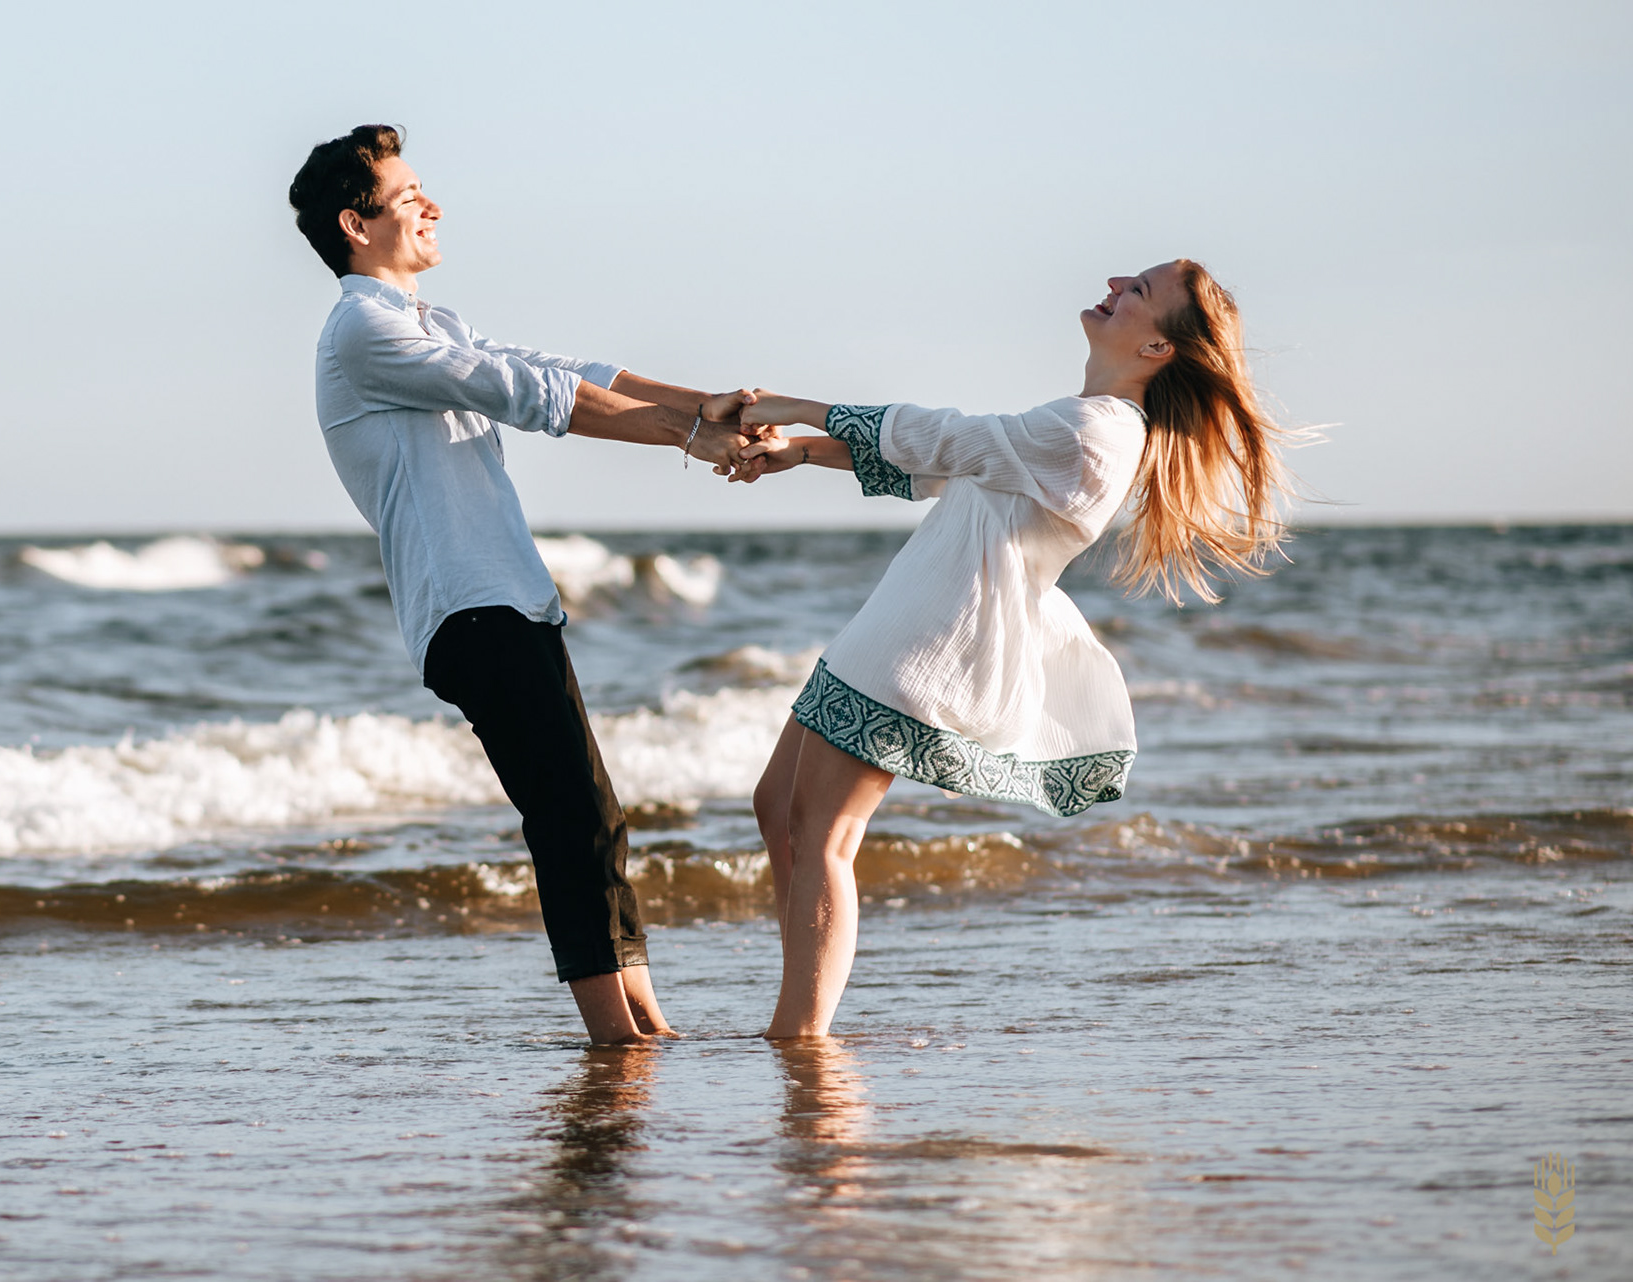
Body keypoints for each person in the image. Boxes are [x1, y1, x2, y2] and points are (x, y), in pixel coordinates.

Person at [732, 260, 1293, 1038]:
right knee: (778, 809)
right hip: (900, 617)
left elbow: (948, 437)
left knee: (825, 833)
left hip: (929, 635)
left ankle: (801, 1035)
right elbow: (950, 464)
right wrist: (800, 450)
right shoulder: (1084, 417)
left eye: (1141, 289)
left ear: (1160, 347)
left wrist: (793, 407)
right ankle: (800, 1016)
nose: (1116, 279)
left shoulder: (1100, 433)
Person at [287, 124, 752, 1045]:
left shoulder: (429, 322)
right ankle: (615, 1040)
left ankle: (642, 1020)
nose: (432, 206)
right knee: (568, 816)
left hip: (513, 599)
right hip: (467, 607)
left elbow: (559, 370)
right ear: (356, 221)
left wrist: (700, 402)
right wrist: (689, 438)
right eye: (409, 194)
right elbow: (527, 396)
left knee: (595, 814)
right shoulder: (362, 332)